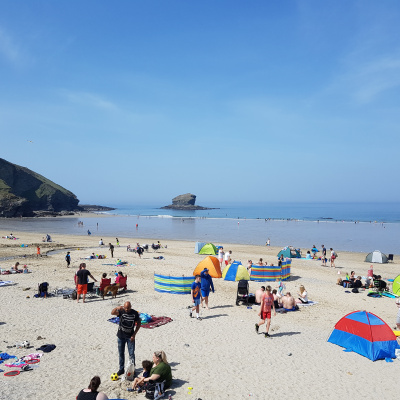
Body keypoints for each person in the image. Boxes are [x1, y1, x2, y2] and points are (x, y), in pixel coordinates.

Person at [111, 301, 141, 376]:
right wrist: (117, 308)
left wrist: (134, 334)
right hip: (121, 336)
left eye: (128, 308)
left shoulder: (134, 313)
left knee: (131, 354)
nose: (126, 309)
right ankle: (121, 369)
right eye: (125, 308)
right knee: (121, 354)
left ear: (130, 307)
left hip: (130, 336)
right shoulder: (121, 311)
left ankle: (132, 369)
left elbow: (139, 323)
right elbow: (112, 313)